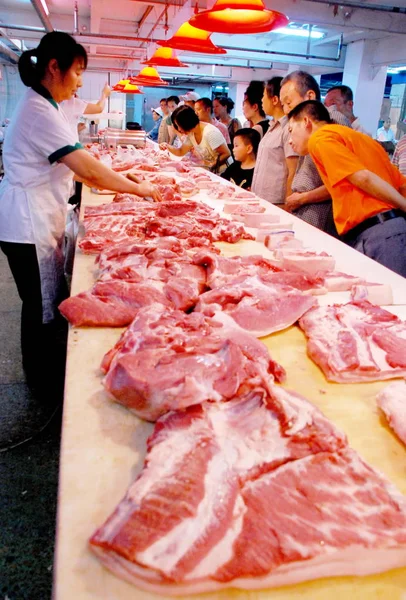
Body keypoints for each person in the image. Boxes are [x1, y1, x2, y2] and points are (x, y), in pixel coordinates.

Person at [0, 32, 161, 400]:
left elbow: (77, 162)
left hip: (33, 215)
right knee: (37, 306)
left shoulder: (45, 105)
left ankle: (41, 373)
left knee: (40, 303)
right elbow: (86, 169)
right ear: (54, 68)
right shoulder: (40, 111)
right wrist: (136, 188)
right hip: (27, 221)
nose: (78, 83)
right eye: (77, 74)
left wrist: (123, 178)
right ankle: (41, 385)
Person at [288, 100, 406, 277]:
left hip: (378, 234)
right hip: (393, 228)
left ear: (306, 122)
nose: (290, 141)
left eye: (291, 131)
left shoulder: (320, 138)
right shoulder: (361, 139)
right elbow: (400, 183)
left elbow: (363, 177)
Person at [280, 70, 351, 235]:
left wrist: (303, 198)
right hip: (304, 208)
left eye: (289, 103)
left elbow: (341, 180)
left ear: (310, 96)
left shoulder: (332, 120)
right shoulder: (305, 127)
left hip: (320, 213)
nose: (285, 110)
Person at [251, 77, 298, 205]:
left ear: (275, 100)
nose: (261, 100)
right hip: (261, 199)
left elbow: (293, 170)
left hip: (277, 203)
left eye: (263, 96)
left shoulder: (288, 128)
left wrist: (288, 205)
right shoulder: (272, 126)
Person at [159, 104, 230, 172]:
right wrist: (167, 146)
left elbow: (226, 153)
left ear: (186, 122)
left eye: (179, 125)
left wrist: (211, 165)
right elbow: (181, 151)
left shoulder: (210, 132)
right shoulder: (191, 134)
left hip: (224, 172)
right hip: (212, 171)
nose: (179, 129)